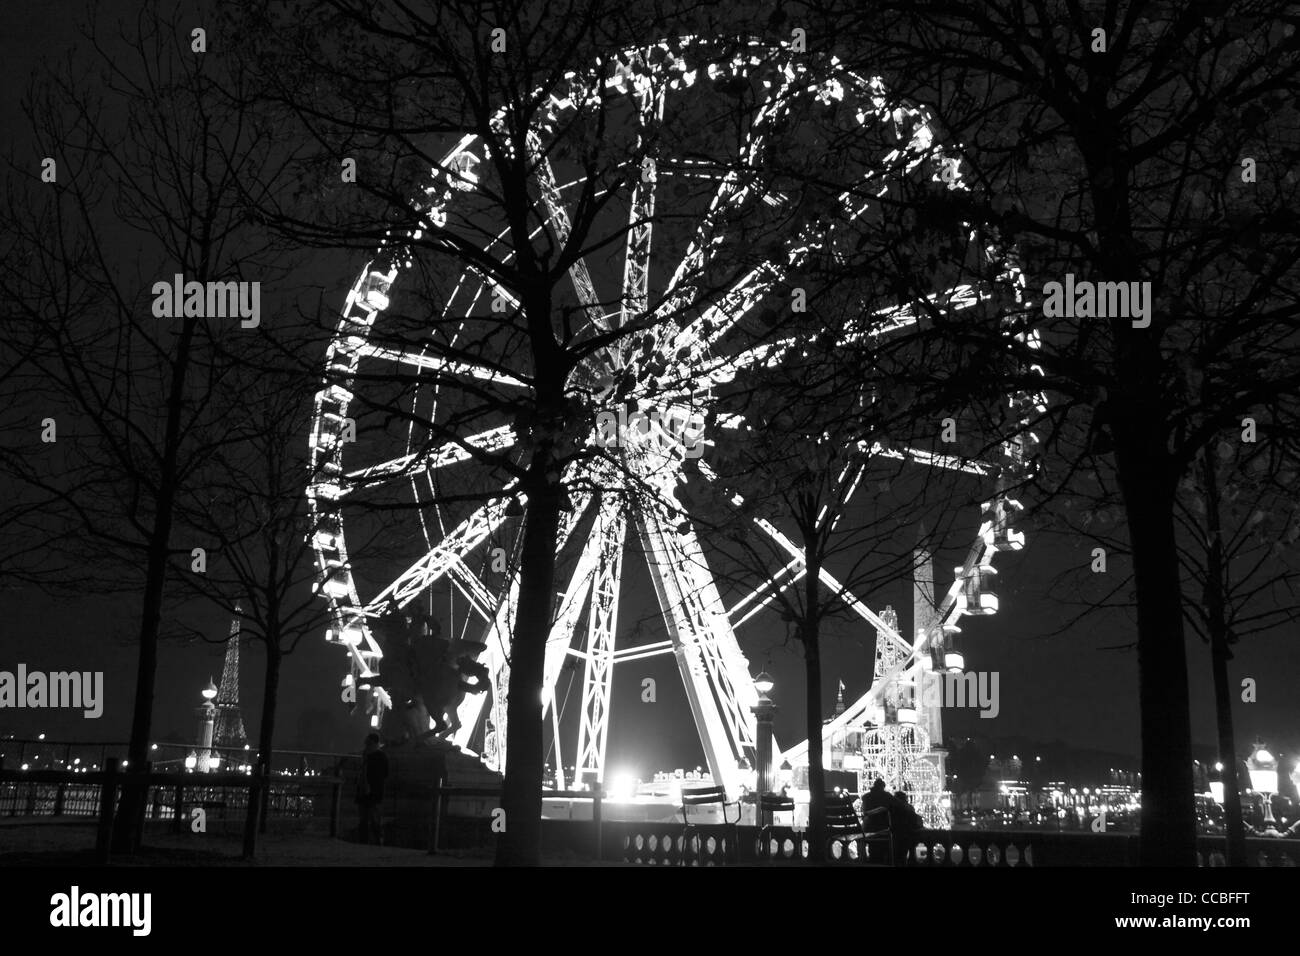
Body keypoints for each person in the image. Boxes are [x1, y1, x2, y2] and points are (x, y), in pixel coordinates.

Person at [355, 733, 389, 844]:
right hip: (373, 791)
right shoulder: (380, 756)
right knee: (370, 818)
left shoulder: (368, 756)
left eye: (368, 743)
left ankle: (367, 841)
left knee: (369, 818)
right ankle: (375, 841)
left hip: (370, 791)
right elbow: (386, 774)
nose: (366, 745)